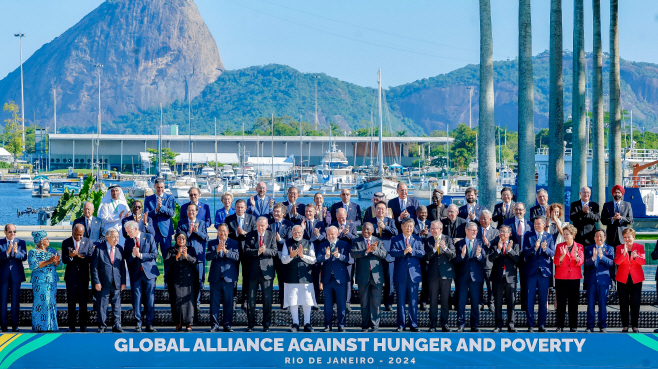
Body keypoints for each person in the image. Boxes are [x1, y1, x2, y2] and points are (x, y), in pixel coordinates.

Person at [390, 218, 425, 332]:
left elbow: (422, 253)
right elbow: (392, 252)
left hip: (413, 275)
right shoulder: (395, 239)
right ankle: (401, 324)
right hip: (400, 275)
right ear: (402, 226)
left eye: (411, 226)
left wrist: (412, 251)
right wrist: (403, 252)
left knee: (413, 301)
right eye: (407, 226)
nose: (409, 228)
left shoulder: (418, 239)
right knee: (400, 301)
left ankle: (414, 324)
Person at [124, 221, 159, 332]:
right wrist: (133, 255)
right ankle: (138, 323)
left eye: (129, 232)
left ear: (135, 229)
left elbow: (154, 254)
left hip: (149, 273)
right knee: (136, 299)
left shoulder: (149, 237)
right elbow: (127, 260)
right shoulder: (128, 242)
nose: (128, 234)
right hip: (136, 274)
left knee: (150, 299)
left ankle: (149, 323)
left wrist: (141, 255)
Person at [176, 203, 209, 321]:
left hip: (198, 257)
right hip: (185, 257)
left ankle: (197, 302)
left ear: (196, 212)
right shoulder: (181, 223)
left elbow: (206, 238)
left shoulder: (202, 223)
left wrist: (197, 231)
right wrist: (189, 233)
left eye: (193, 211)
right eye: (189, 211)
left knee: (199, 280)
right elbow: (178, 237)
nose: (191, 213)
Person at [351, 223, 386, 332]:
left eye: (368, 229)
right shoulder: (356, 241)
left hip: (376, 276)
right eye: (364, 229)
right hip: (363, 276)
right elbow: (353, 254)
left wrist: (375, 250)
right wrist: (366, 251)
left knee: (376, 302)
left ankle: (375, 325)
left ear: (373, 230)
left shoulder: (378, 241)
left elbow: (384, 254)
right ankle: (365, 325)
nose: (365, 231)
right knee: (364, 302)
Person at [281, 225, 317, 332]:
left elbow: (313, 260)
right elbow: (283, 260)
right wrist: (291, 256)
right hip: (291, 277)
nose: (297, 234)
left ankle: (307, 323)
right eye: (295, 232)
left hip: (305, 277)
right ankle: (295, 323)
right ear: (292, 233)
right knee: (293, 301)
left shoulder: (309, 243)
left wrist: (302, 256)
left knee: (307, 301)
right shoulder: (286, 243)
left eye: (299, 232)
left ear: (302, 232)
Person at [244, 217, 277, 332]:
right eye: (259, 225)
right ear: (256, 225)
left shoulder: (271, 235)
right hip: (252, 272)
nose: (261, 227)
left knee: (267, 299)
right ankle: (251, 324)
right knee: (251, 300)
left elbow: (274, 251)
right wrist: (258, 251)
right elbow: (246, 251)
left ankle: (266, 324)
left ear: (267, 225)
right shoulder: (249, 235)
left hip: (267, 273)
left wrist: (265, 251)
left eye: (263, 225)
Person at [523, 216, 555, 332]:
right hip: (531, 272)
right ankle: (530, 325)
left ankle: (541, 325)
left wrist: (545, 249)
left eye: (539, 224)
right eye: (535, 224)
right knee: (529, 299)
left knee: (543, 300)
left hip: (544, 273)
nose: (536, 226)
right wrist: (534, 248)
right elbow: (525, 251)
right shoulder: (528, 235)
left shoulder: (550, 236)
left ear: (543, 224)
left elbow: (553, 252)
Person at [91, 229, 126, 333]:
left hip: (117, 282)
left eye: (117, 237)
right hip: (103, 283)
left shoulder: (120, 248)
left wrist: (123, 282)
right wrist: (96, 282)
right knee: (102, 305)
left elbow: (122, 267)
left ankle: (117, 325)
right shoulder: (99, 249)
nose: (116, 239)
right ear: (107, 238)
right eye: (114, 237)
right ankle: (102, 326)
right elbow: (94, 268)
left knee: (117, 305)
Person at [453, 222, 486, 332]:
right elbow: (455, 260)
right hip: (462, 277)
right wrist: (462, 255)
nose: (475, 232)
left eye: (476, 230)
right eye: (472, 230)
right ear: (466, 230)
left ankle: (474, 325)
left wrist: (479, 255)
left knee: (475, 302)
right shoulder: (459, 243)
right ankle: (461, 324)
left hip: (476, 277)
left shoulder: (480, 242)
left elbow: (485, 260)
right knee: (461, 302)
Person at [317, 226, 350, 332]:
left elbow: (349, 259)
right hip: (327, 279)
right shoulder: (322, 245)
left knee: (341, 303)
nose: (330, 236)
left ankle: (341, 324)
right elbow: (318, 259)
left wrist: (339, 256)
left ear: (337, 234)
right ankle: (328, 325)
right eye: (328, 234)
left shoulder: (344, 244)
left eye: (332, 234)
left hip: (340, 279)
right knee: (328, 304)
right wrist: (326, 256)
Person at [206, 224, 239, 333]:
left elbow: (236, 257)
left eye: (224, 231)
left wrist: (226, 251)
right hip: (215, 277)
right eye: (220, 231)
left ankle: (227, 325)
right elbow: (208, 257)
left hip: (228, 278)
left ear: (228, 231)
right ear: (217, 232)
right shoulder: (212, 243)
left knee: (228, 303)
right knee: (214, 303)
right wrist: (216, 250)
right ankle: (214, 325)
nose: (222, 233)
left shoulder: (234, 243)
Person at [423, 220, 455, 332]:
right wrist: (433, 249)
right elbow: (426, 257)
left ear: (440, 229)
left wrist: (445, 248)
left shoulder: (448, 239)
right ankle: (433, 325)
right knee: (433, 301)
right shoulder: (428, 241)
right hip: (433, 275)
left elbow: (453, 255)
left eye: (434, 228)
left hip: (446, 274)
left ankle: (444, 324)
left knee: (445, 301)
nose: (432, 230)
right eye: (431, 229)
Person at [367, 201, 398, 311]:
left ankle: (388, 304)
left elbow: (395, 232)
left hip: (388, 255)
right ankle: (375, 303)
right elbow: (367, 234)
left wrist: (385, 227)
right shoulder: (370, 221)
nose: (380, 211)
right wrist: (375, 229)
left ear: (386, 211)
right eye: (378, 209)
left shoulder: (390, 221)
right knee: (375, 280)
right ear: (375, 210)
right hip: (375, 254)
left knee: (389, 280)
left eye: (382, 209)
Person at [488, 225, 520, 332]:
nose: (502, 234)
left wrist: (510, 250)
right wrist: (498, 249)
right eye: (500, 232)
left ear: (509, 234)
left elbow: (517, 259)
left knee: (511, 302)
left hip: (510, 278)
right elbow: (490, 258)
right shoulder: (494, 244)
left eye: (504, 232)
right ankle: (498, 325)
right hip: (497, 278)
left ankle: (511, 325)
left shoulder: (515, 245)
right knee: (498, 303)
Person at [62, 224, 93, 332]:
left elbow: (90, 258)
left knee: (83, 302)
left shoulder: (88, 242)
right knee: (71, 301)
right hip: (71, 276)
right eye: (76, 235)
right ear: (72, 232)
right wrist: (70, 257)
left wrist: (79, 255)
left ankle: (83, 325)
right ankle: (71, 325)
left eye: (80, 235)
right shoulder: (66, 242)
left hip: (83, 277)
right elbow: (64, 260)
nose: (78, 237)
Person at [226, 199, 256, 310]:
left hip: (247, 252)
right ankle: (233, 300)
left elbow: (254, 235)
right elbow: (226, 234)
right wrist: (235, 233)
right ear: (235, 207)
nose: (240, 209)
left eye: (242, 207)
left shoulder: (252, 218)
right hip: (233, 251)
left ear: (245, 208)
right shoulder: (229, 219)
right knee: (233, 277)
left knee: (246, 277)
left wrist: (245, 233)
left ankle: (245, 300)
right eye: (238, 207)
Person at [164, 232, 198, 332]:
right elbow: (166, 262)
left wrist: (186, 255)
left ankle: (189, 324)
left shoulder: (191, 249)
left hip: (189, 281)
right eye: (179, 238)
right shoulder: (171, 250)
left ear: (186, 239)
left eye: (183, 238)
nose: (181, 240)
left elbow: (195, 262)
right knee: (176, 302)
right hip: (175, 280)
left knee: (189, 303)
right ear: (176, 239)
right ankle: (178, 324)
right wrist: (177, 256)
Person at [553, 224, 584, 332]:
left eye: (567, 234)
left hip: (574, 279)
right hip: (561, 278)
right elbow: (556, 262)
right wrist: (563, 255)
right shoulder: (559, 246)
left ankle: (573, 326)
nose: (565, 236)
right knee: (561, 303)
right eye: (564, 234)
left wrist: (576, 257)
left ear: (573, 235)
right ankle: (560, 326)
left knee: (573, 303)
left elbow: (580, 262)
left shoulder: (579, 246)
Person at [28, 231, 60, 332]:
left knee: (51, 302)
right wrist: (49, 261)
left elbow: (58, 264)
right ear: (41, 241)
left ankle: (51, 326)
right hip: (40, 282)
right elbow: (34, 265)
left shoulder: (51, 250)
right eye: (46, 239)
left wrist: (56, 261)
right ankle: (40, 326)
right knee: (42, 303)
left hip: (51, 281)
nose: (48, 240)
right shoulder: (33, 252)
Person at [602, 185, 633, 291]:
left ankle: (621, 283)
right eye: (615, 192)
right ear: (612, 194)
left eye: (619, 192)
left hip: (622, 239)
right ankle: (612, 284)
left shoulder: (627, 205)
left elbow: (631, 220)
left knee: (622, 262)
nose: (617, 194)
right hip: (610, 238)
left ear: (622, 194)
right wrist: (612, 219)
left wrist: (621, 219)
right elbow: (602, 220)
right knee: (611, 262)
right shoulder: (607, 205)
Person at [503, 202, 533, 312]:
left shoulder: (530, 224)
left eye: (520, 210)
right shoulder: (507, 223)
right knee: (511, 284)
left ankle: (525, 308)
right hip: (511, 257)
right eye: (516, 209)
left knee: (525, 283)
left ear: (525, 211)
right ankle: (511, 308)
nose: (518, 212)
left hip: (525, 257)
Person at [615, 228, 645, 333]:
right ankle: (625, 326)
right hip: (622, 279)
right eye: (625, 237)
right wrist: (623, 253)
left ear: (633, 237)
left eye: (629, 237)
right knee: (623, 302)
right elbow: (617, 262)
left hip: (636, 279)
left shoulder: (640, 247)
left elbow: (643, 262)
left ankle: (635, 325)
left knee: (635, 302)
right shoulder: (619, 247)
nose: (627, 239)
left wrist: (636, 257)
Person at [584, 230, 614, 333]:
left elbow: (611, 263)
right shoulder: (588, 248)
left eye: (601, 236)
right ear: (594, 238)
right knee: (590, 304)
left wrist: (602, 257)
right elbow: (585, 264)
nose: (599, 238)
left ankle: (602, 325)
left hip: (603, 281)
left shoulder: (609, 249)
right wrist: (593, 258)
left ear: (605, 237)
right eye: (597, 236)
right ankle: (590, 325)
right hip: (591, 281)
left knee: (602, 304)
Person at [145, 178, 175, 277]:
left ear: (164, 187)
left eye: (162, 187)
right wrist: (156, 209)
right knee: (151, 255)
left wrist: (162, 207)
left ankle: (167, 279)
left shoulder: (170, 198)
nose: (160, 189)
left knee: (167, 256)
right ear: (154, 187)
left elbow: (172, 213)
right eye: (158, 187)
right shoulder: (148, 199)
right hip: (152, 231)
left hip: (165, 232)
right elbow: (146, 214)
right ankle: (151, 278)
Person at [0, 224, 26, 332]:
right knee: (2, 301)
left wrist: (16, 252)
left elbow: (24, 257)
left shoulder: (21, 242)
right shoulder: (0, 243)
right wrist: (6, 252)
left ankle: (15, 324)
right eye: (10, 232)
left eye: (14, 232)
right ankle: (3, 325)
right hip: (3, 275)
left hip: (16, 275)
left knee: (15, 301)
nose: (12, 234)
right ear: (5, 232)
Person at [331, 208, 358, 312]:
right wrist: (336, 234)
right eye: (339, 217)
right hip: (335, 256)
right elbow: (329, 239)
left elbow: (356, 241)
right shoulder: (333, 225)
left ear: (346, 216)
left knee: (348, 280)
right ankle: (334, 303)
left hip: (348, 257)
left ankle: (347, 303)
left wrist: (348, 234)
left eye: (343, 217)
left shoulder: (352, 226)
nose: (341, 219)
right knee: (334, 279)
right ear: (336, 217)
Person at [269, 202, 294, 309]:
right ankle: (268, 304)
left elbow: (289, 241)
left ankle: (284, 303)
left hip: (282, 257)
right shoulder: (269, 223)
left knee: (283, 281)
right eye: (274, 211)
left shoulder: (289, 224)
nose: (276, 213)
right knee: (268, 280)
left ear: (283, 213)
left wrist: (280, 240)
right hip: (270, 257)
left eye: (278, 212)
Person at [301, 203, 325, 309]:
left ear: (315, 212)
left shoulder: (320, 223)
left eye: (310, 211)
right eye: (306, 211)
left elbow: (324, 238)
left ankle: (314, 302)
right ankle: (304, 302)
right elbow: (297, 238)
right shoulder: (301, 223)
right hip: (304, 256)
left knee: (315, 280)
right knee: (304, 280)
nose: (308, 213)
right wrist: (302, 229)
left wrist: (318, 235)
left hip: (316, 256)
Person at [477, 210, 499, 313]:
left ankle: (491, 304)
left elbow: (496, 248)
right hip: (477, 262)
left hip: (490, 263)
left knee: (490, 286)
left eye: (485, 218)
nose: (482, 220)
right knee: (478, 285)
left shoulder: (495, 232)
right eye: (481, 218)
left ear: (490, 219)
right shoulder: (475, 230)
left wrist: (489, 244)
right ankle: (480, 303)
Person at [414, 205, 431, 310]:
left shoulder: (430, 224)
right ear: (417, 213)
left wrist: (427, 234)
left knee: (426, 281)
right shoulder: (412, 223)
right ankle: (413, 301)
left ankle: (423, 302)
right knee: (414, 281)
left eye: (425, 212)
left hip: (426, 257)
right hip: (415, 256)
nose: (423, 214)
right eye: (421, 212)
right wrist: (420, 235)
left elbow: (435, 236)